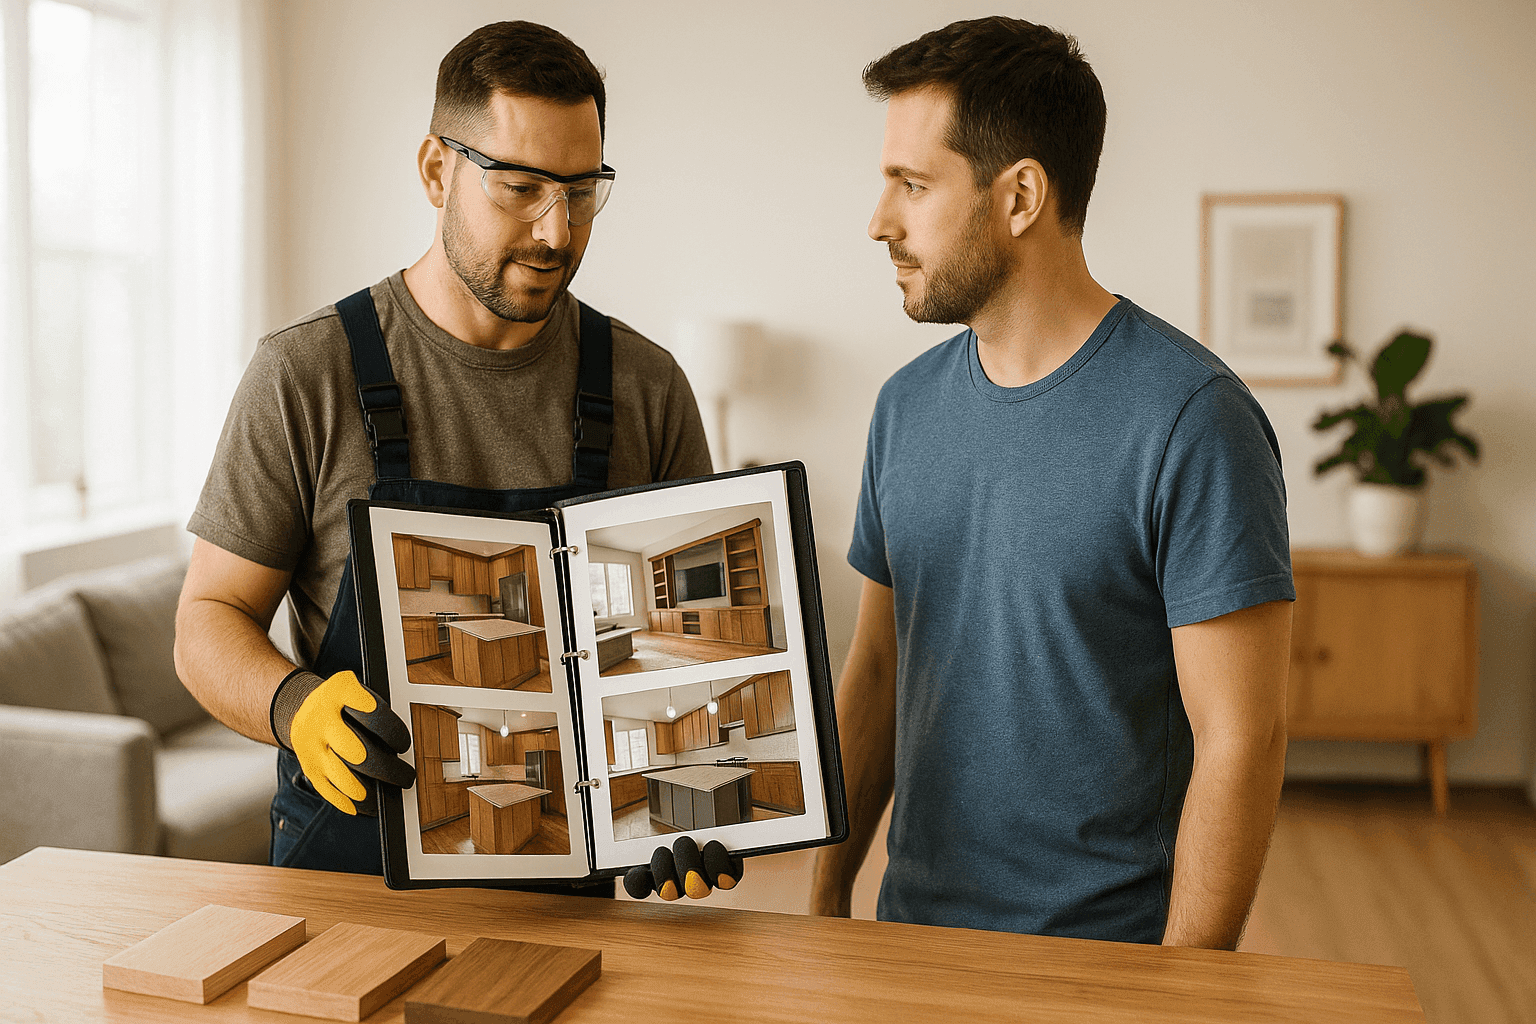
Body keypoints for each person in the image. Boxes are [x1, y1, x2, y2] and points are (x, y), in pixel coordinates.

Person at [174, 21, 717, 895]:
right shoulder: (305, 373)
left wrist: (691, 801)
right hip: (353, 887)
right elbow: (209, 618)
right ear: (436, 170)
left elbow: (686, 657)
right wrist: (293, 705)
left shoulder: (648, 390)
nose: (556, 231)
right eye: (521, 188)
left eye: (582, 192)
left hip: (569, 902)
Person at [809, 17, 1294, 948]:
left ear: (1021, 196)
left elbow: (1242, 738)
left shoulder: (1193, 419)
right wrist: (827, 901)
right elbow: (875, 672)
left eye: (913, 184)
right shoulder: (904, 407)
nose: (880, 221)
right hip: (911, 944)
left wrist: (1181, 991)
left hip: (1103, 963)